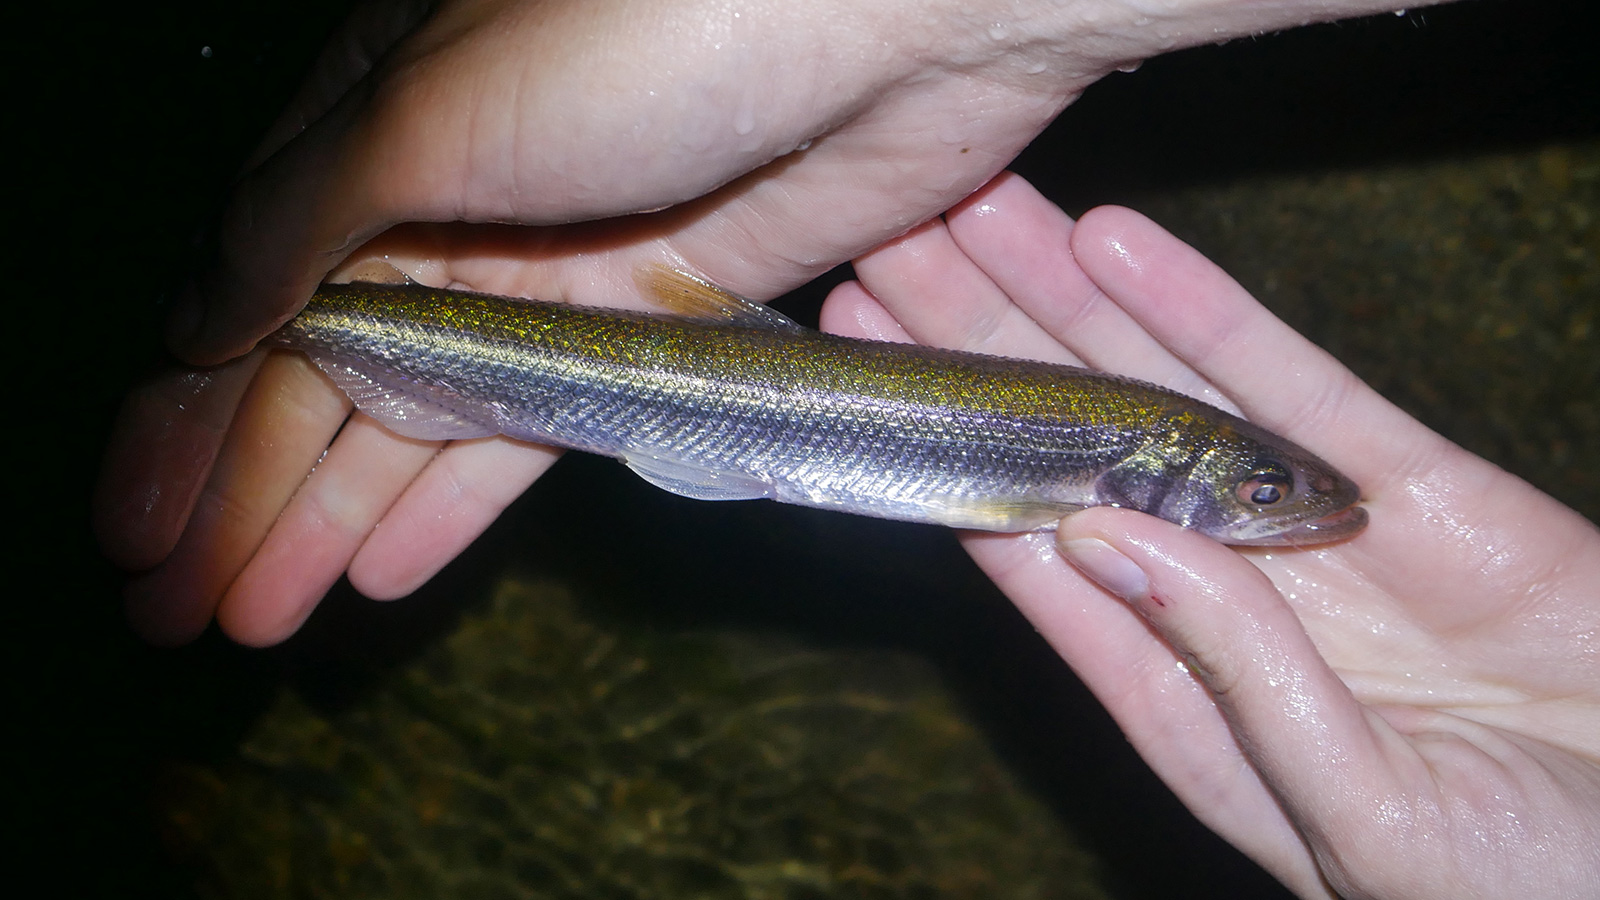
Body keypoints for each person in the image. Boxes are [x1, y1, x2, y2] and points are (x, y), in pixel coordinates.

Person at [93, 1, 1600, 897]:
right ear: (1161, 474)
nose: (1278, 506)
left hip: (633, 370)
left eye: (1261, 488)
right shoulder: (1073, 459)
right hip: (536, 354)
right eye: (1260, 489)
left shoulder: (1105, 449)